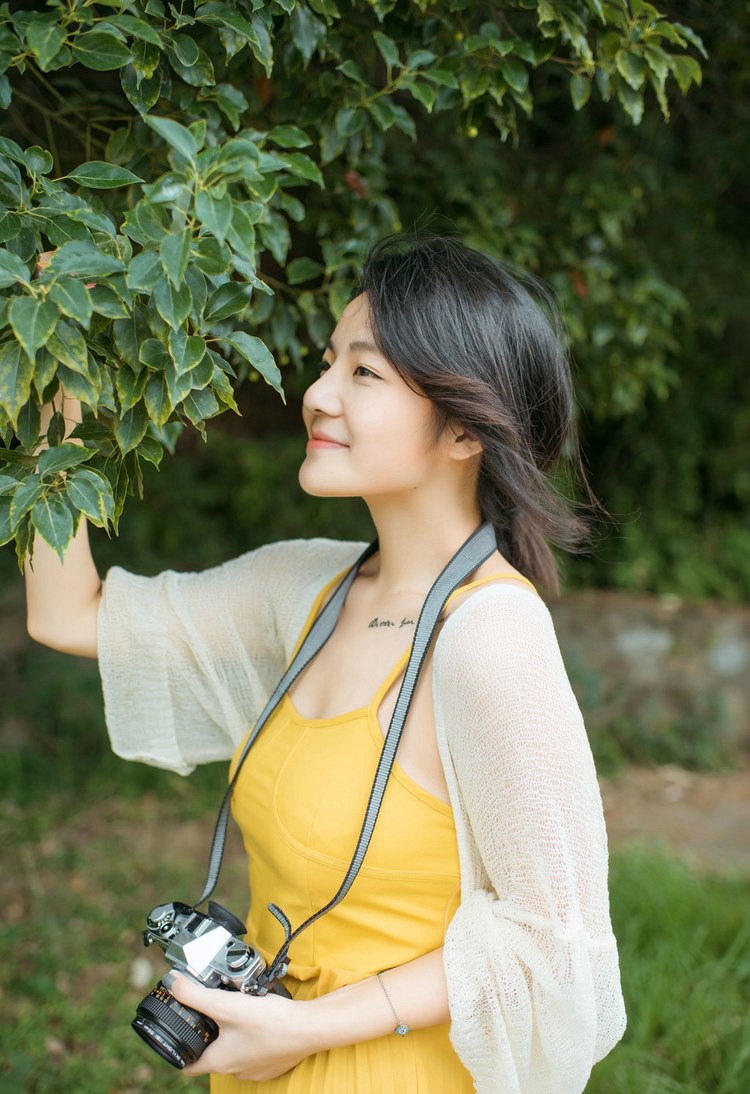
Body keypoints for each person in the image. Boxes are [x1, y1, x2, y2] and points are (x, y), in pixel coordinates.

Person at [25, 234, 626, 1094]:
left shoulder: (492, 639)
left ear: (464, 427)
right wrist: (53, 370)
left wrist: (305, 1028)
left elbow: (549, 945)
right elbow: (67, 614)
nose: (315, 395)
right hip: (263, 1064)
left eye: (364, 374)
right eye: (325, 364)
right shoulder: (305, 588)